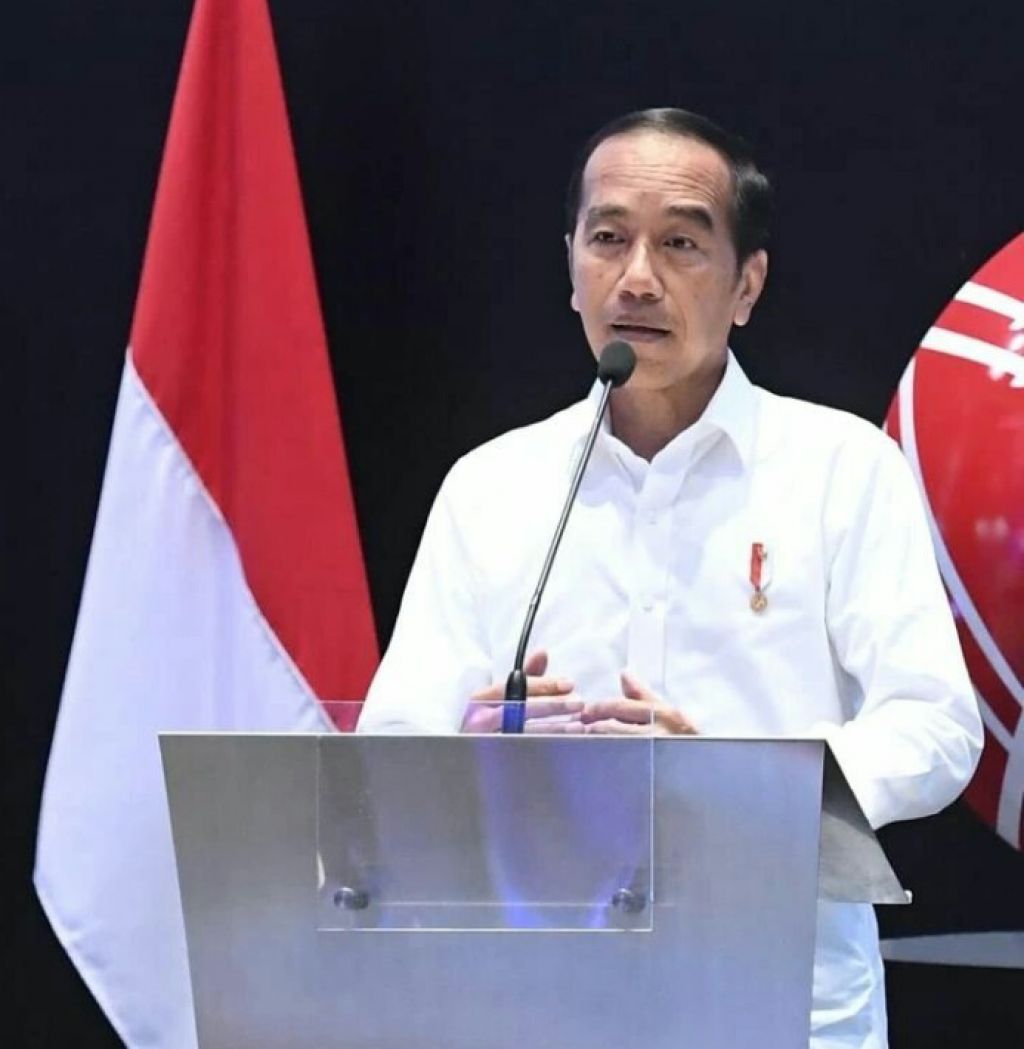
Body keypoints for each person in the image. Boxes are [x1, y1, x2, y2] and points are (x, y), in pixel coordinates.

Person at [357, 107, 983, 1046]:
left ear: (747, 284)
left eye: (681, 243)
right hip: (537, 1003)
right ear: (571, 265)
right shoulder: (492, 486)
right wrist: (466, 754)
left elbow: (935, 726)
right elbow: (391, 746)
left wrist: (736, 780)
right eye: (608, 238)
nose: (638, 277)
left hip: (780, 1004)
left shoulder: (841, 468)